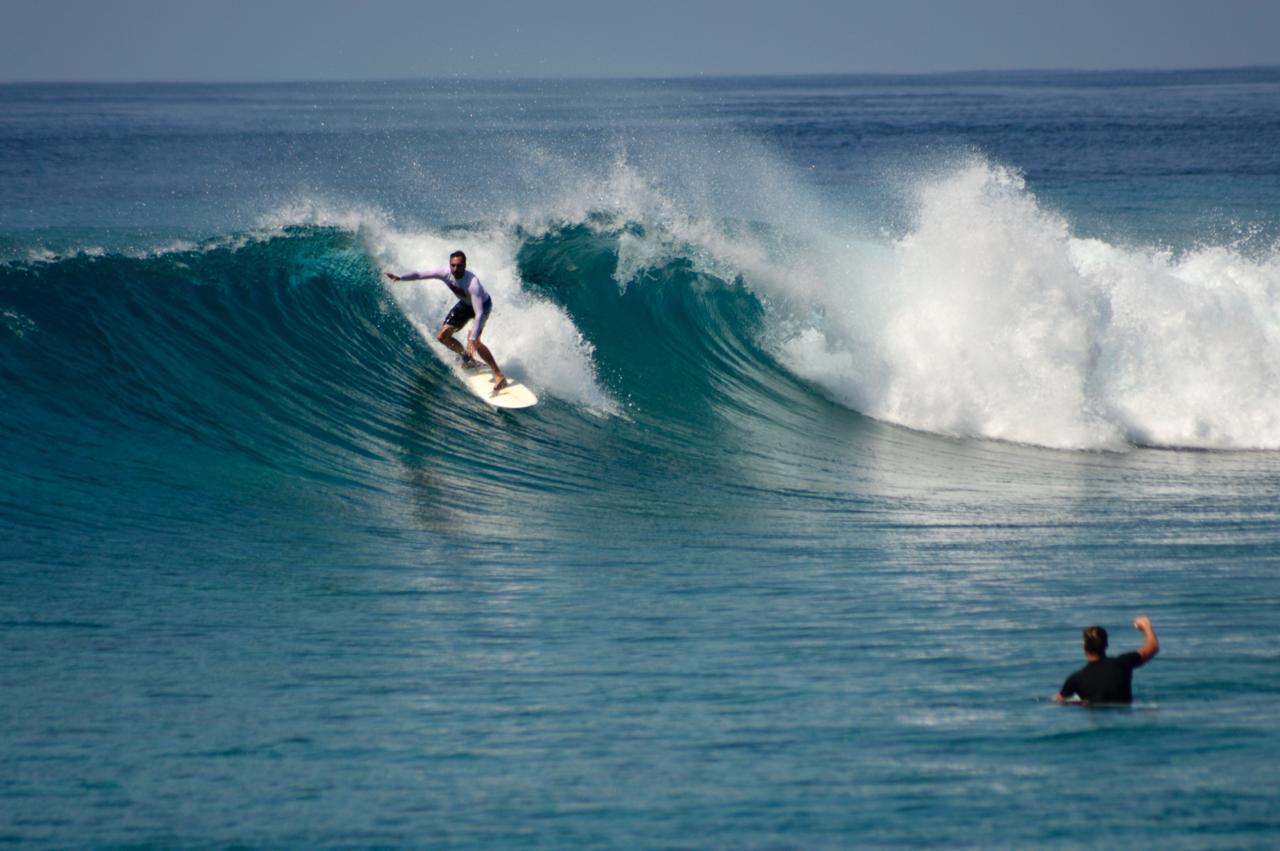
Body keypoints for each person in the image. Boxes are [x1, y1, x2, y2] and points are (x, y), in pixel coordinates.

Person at [386, 250, 507, 390]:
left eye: (459, 265)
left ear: (465, 265)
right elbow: (420, 274)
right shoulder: (445, 273)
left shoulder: (473, 283)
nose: (455, 269)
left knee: (476, 342)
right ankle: (467, 359)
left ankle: (499, 375)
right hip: (465, 304)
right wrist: (400, 277)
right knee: (442, 336)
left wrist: (473, 337)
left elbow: (479, 313)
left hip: (482, 306)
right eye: (452, 265)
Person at [1056, 616, 1159, 705]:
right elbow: (1153, 647)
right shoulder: (1122, 663)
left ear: (1084, 647)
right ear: (1106, 645)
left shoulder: (1075, 679)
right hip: (1125, 715)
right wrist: (1146, 626)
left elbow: (1059, 701)